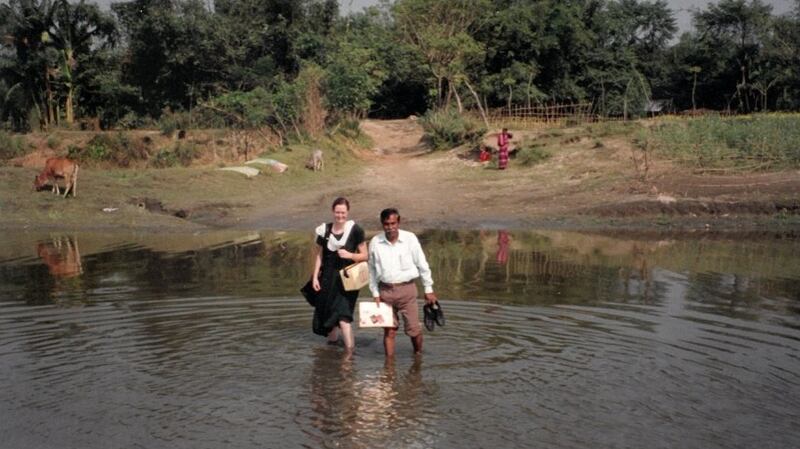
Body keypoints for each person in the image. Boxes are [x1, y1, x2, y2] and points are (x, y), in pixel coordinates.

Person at [368, 208, 438, 357]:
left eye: (393, 223)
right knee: (389, 331)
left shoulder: (410, 239)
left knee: (414, 330)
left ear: (398, 222)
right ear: (382, 224)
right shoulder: (375, 242)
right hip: (385, 291)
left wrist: (428, 289)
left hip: (407, 290)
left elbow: (422, 264)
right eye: (387, 224)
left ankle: (418, 356)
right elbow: (372, 270)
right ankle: (389, 368)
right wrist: (375, 293)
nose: (390, 227)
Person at [311, 197, 367, 351]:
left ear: (348, 212)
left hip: (348, 281)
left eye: (343, 212)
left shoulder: (356, 230)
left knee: (343, 317)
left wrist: (350, 255)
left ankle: (350, 354)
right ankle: (332, 350)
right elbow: (319, 255)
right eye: (337, 212)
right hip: (328, 279)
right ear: (332, 211)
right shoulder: (324, 230)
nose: (340, 216)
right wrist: (315, 276)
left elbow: (365, 255)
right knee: (329, 317)